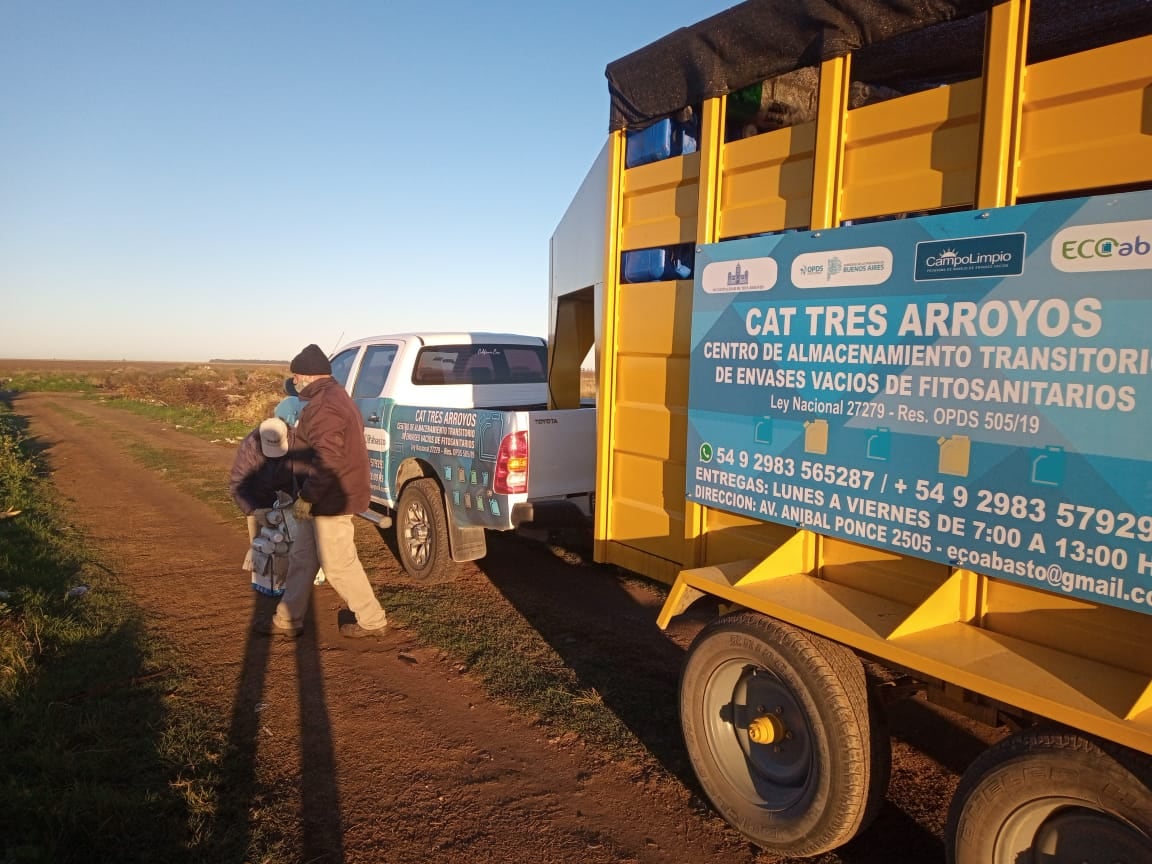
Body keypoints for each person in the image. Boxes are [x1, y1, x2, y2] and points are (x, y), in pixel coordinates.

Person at [256, 343, 389, 639]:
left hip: (331, 498)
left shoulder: (325, 405)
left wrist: (308, 496)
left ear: (307, 375)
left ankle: (372, 619)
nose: (295, 382)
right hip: (320, 496)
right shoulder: (330, 397)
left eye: (297, 376)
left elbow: (328, 458)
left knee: (338, 563)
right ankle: (287, 620)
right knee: (303, 558)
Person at [229, 416, 306, 596]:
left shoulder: (297, 442)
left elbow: (306, 475)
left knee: (289, 544)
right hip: (258, 498)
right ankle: (264, 583)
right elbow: (237, 485)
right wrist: (254, 510)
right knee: (261, 545)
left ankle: (288, 581)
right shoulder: (250, 446)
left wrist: (304, 498)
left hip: (289, 498)